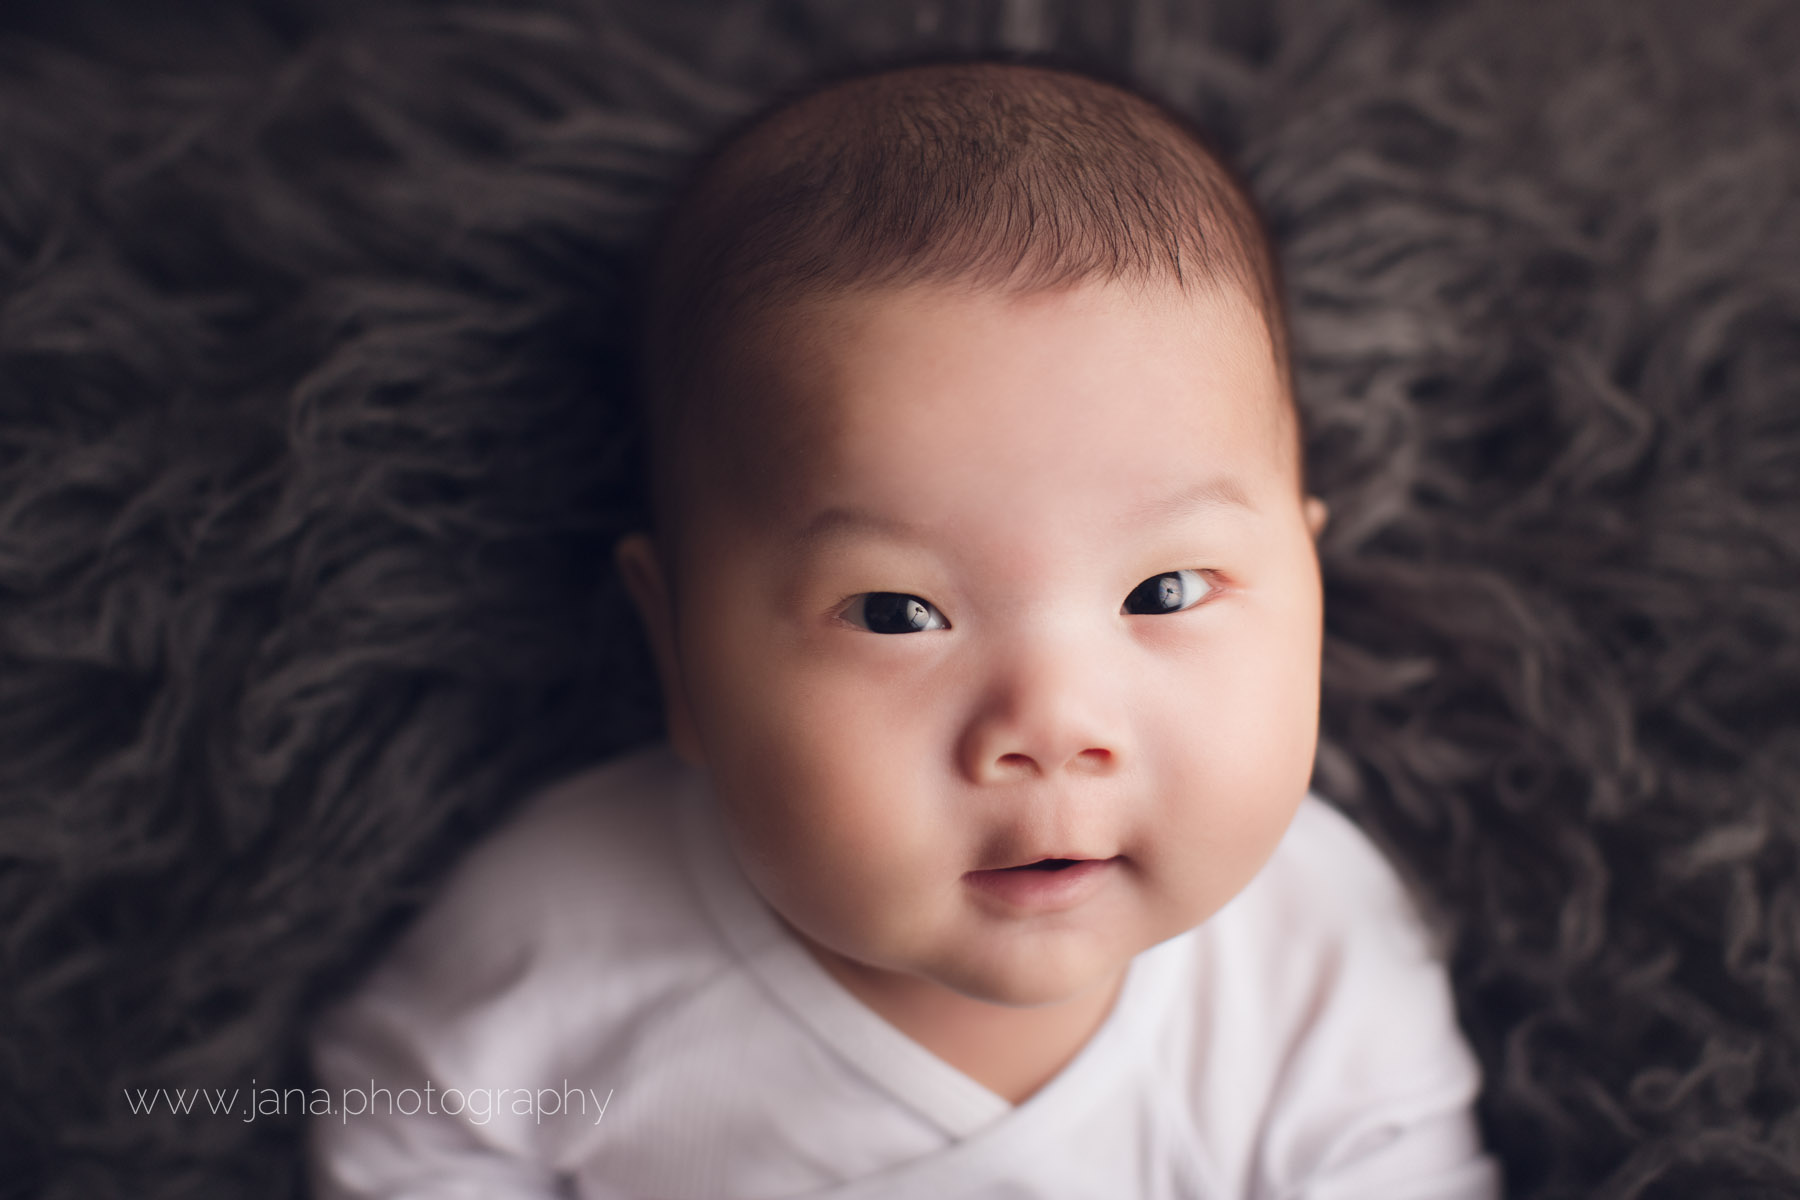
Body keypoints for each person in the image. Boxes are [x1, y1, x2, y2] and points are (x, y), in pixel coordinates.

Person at [307, 56, 1502, 1198]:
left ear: (1309, 582)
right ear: (676, 652)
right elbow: (406, 1136)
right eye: (895, 613)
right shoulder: (563, 940)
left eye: (1167, 593)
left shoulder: (1320, 959)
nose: (1051, 724)